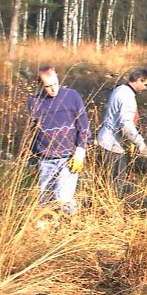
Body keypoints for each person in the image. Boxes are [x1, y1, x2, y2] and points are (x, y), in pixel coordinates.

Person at [27, 66, 90, 215]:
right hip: (45, 159)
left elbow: (83, 125)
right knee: (45, 200)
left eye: (55, 83)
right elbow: (33, 131)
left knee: (63, 197)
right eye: (48, 86)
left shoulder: (72, 96)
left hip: (68, 157)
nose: (53, 89)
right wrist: (33, 156)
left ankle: (71, 223)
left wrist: (80, 150)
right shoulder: (34, 102)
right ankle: (53, 225)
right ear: (41, 85)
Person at [96, 68, 147, 194]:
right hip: (113, 145)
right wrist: (140, 143)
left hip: (105, 140)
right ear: (138, 80)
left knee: (104, 182)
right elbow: (126, 125)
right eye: (145, 84)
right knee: (116, 184)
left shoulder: (120, 89)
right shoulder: (128, 97)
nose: (145, 88)